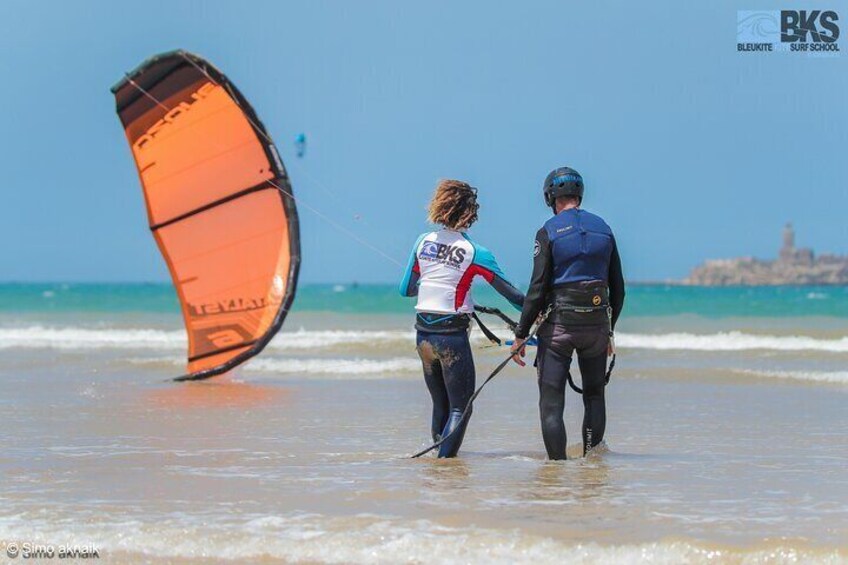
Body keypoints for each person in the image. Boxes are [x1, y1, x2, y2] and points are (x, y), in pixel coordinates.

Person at [400, 179, 525, 458]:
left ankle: (438, 462)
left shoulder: (422, 242)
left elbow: (406, 289)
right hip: (451, 337)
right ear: (470, 213)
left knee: (441, 404)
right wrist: (543, 309)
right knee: (461, 407)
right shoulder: (476, 253)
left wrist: (434, 280)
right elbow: (514, 297)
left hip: (423, 336)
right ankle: (445, 465)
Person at [511, 167, 625, 460]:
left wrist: (521, 334)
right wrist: (609, 330)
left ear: (550, 196)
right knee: (595, 396)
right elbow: (619, 289)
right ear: (580, 195)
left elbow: (537, 288)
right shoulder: (604, 228)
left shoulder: (548, 231)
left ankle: (557, 471)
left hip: (559, 327)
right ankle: (591, 461)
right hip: (597, 326)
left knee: (551, 404)